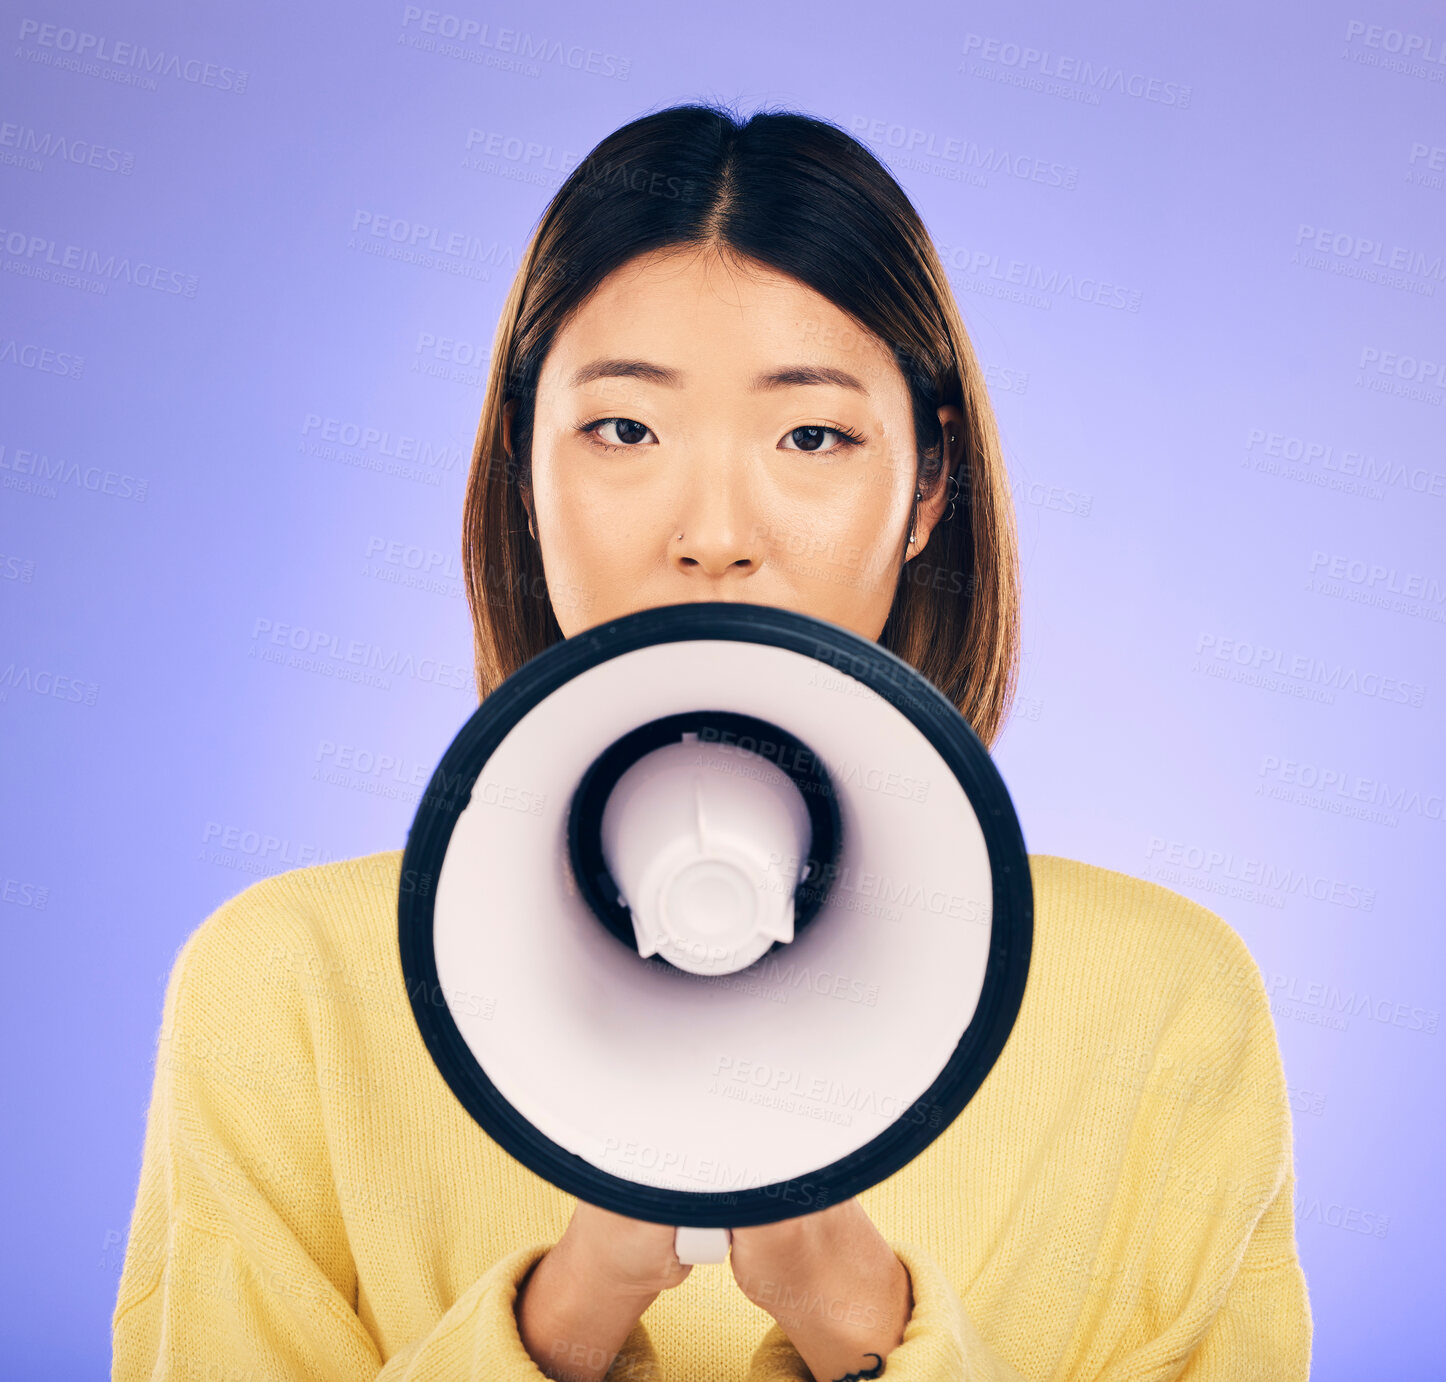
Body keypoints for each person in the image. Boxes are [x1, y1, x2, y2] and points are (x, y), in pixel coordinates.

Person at [112, 101, 1312, 1382]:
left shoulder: (1162, 1003)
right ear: (526, 466)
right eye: (626, 429)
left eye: (813, 435)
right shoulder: (286, 991)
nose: (715, 532)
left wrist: (857, 1317)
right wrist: (565, 1314)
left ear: (930, 487)